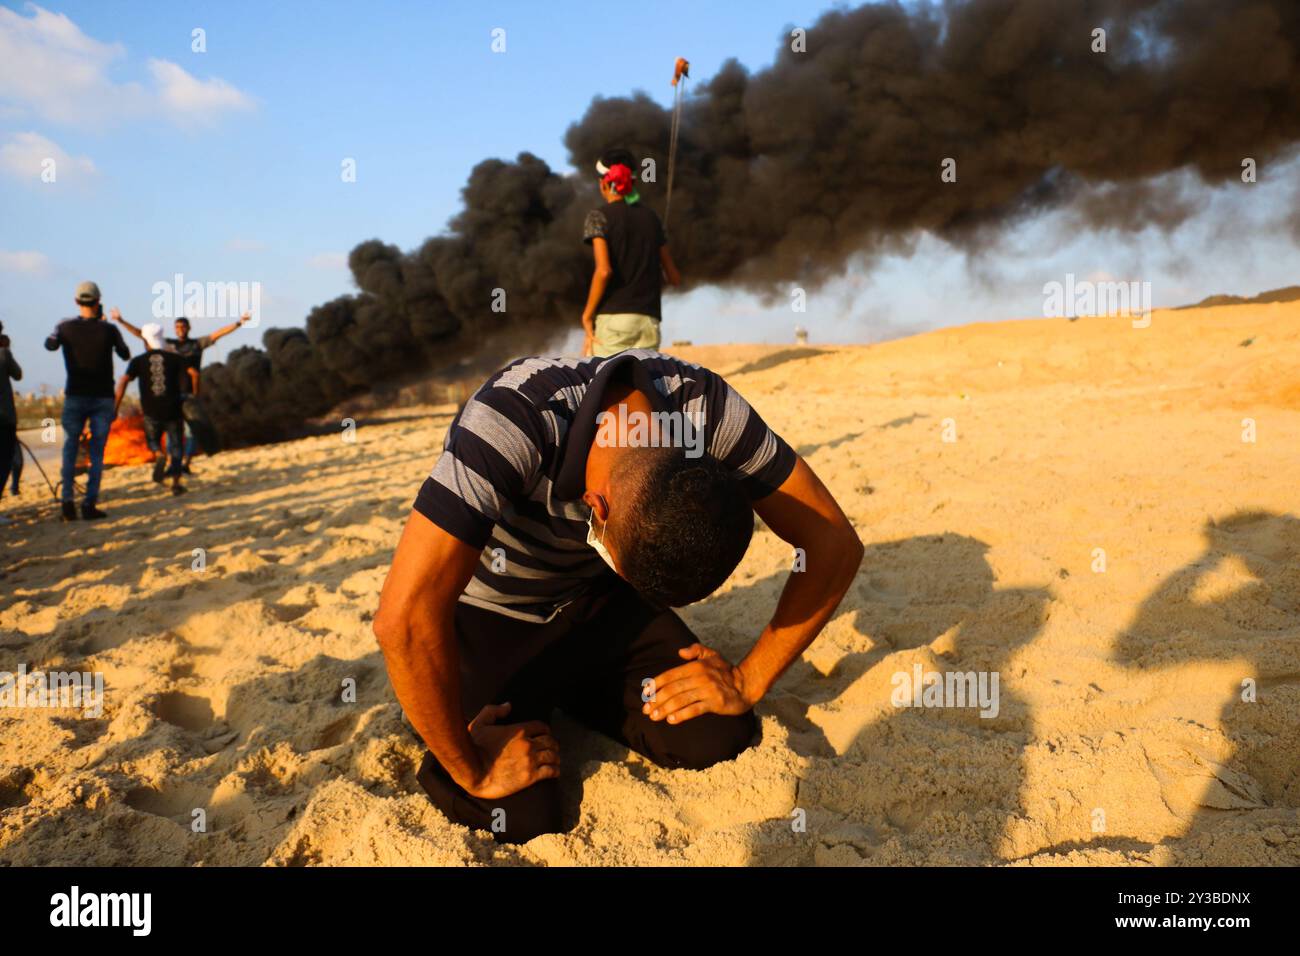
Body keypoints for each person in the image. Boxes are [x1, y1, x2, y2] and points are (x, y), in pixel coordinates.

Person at [373, 349, 864, 843]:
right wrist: (470, 768)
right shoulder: (512, 418)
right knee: (521, 816)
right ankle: (479, 736)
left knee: (717, 731)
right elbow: (405, 618)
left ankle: (570, 691)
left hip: (600, 603)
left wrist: (748, 679)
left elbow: (834, 543)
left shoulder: (706, 410)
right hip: (493, 614)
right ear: (596, 507)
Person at [113, 311, 249, 471]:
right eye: (177, 326)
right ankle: (173, 462)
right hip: (173, 394)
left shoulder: (197, 344)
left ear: (189, 328)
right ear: (174, 329)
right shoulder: (169, 345)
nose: (180, 329)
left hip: (189, 394)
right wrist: (122, 321)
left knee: (191, 431)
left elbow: (218, 334)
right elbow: (143, 335)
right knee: (174, 430)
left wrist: (239, 323)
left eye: (183, 326)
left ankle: (186, 463)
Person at [581, 147, 681, 358]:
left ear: (605, 183)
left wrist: (587, 315)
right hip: (648, 322)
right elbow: (674, 278)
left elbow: (604, 271)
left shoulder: (598, 216)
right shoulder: (652, 218)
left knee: (603, 385)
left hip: (613, 322)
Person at [45, 282, 130, 521]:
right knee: (97, 453)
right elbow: (125, 354)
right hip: (103, 396)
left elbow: (50, 345)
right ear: (97, 301)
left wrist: (59, 331)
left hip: (75, 394)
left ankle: (67, 502)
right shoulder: (109, 330)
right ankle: (89, 503)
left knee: (70, 448)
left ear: (76, 302)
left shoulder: (64, 327)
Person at [114, 323, 197, 496]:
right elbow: (194, 374)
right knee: (176, 447)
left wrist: (115, 407)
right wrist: (193, 396)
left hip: (151, 411)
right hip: (173, 409)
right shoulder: (176, 358)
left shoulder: (138, 361)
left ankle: (159, 454)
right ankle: (175, 484)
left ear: (146, 341)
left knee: (152, 440)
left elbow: (122, 381)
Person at [0, 319, 22, 524]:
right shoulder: (3, 354)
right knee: (7, 461)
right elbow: (18, 374)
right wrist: (5, 349)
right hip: (4, 419)